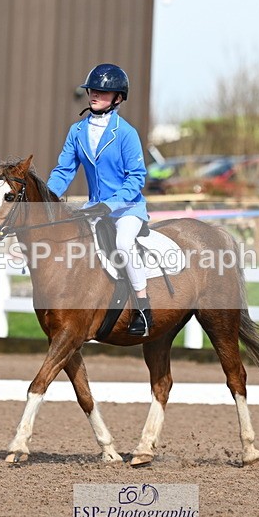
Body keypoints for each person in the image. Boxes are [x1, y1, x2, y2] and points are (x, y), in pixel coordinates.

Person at [46, 63, 152, 336]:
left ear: (118, 98)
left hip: (126, 208)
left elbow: (136, 177)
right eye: (92, 90)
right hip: (94, 208)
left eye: (103, 93)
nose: (94, 95)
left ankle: (142, 306)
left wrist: (112, 204)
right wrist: (44, 201)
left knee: (123, 243)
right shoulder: (77, 131)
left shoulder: (126, 133)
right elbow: (64, 171)